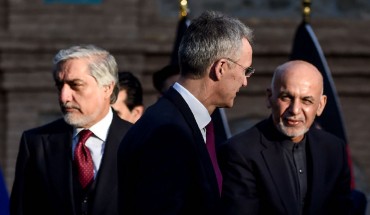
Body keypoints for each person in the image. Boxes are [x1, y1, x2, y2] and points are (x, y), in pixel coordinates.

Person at [117, 10, 254, 215]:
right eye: (246, 70)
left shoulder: (178, 121)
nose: (245, 81)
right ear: (221, 68)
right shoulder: (166, 135)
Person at [10, 45, 132, 215]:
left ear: (107, 88)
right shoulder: (36, 143)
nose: (64, 97)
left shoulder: (141, 141)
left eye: (76, 85)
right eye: (60, 86)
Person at [218, 60, 352, 215]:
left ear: (321, 105)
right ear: (270, 97)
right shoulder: (240, 152)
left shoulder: (334, 149)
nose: (295, 110)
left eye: (306, 100)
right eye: (286, 97)